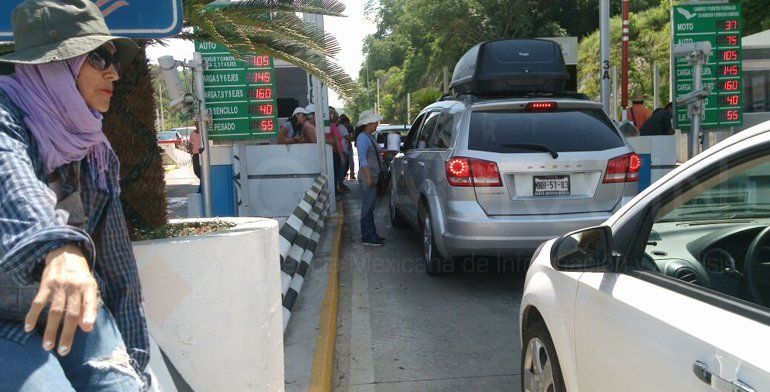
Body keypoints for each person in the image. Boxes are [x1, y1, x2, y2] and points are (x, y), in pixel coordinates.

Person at [0, 0, 150, 390]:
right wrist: (61, 249)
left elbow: (119, 273)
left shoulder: (93, 150)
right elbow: (10, 179)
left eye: (115, 59)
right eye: (100, 57)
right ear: (56, 66)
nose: (115, 74)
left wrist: (136, 365)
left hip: (73, 314)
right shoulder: (4, 119)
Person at [356, 110, 386, 246]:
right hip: (368, 176)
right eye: (374, 122)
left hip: (373, 176)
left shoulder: (368, 137)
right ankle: (367, 235)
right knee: (368, 207)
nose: (376, 124)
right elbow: (362, 160)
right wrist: (368, 177)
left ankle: (371, 233)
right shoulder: (362, 138)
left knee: (370, 207)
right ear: (367, 124)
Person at [329, 107, 349, 195]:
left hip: (337, 152)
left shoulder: (331, 126)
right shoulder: (332, 126)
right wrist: (341, 155)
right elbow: (336, 141)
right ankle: (337, 189)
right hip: (337, 152)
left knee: (338, 173)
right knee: (338, 173)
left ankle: (338, 188)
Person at [339, 114, 356, 180]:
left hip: (345, 147)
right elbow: (349, 138)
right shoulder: (343, 128)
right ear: (345, 122)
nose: (348, 125)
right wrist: (352, 138)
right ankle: (345, 176)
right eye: (347, 123)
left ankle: (349, 174)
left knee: (348, 162)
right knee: (346, 163)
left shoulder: (339, 127)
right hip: (344, 148)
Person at [189, 120, 203, 191]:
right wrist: (190, 150)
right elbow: (190, 143)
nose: (197, 125)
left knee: (202, 171)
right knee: (196, 171)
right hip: (195, 154)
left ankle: (201, 188)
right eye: (196, 124)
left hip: (202, 154)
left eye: (198, 124)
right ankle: (203, 184)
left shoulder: (203, 133)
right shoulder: (192, 133)